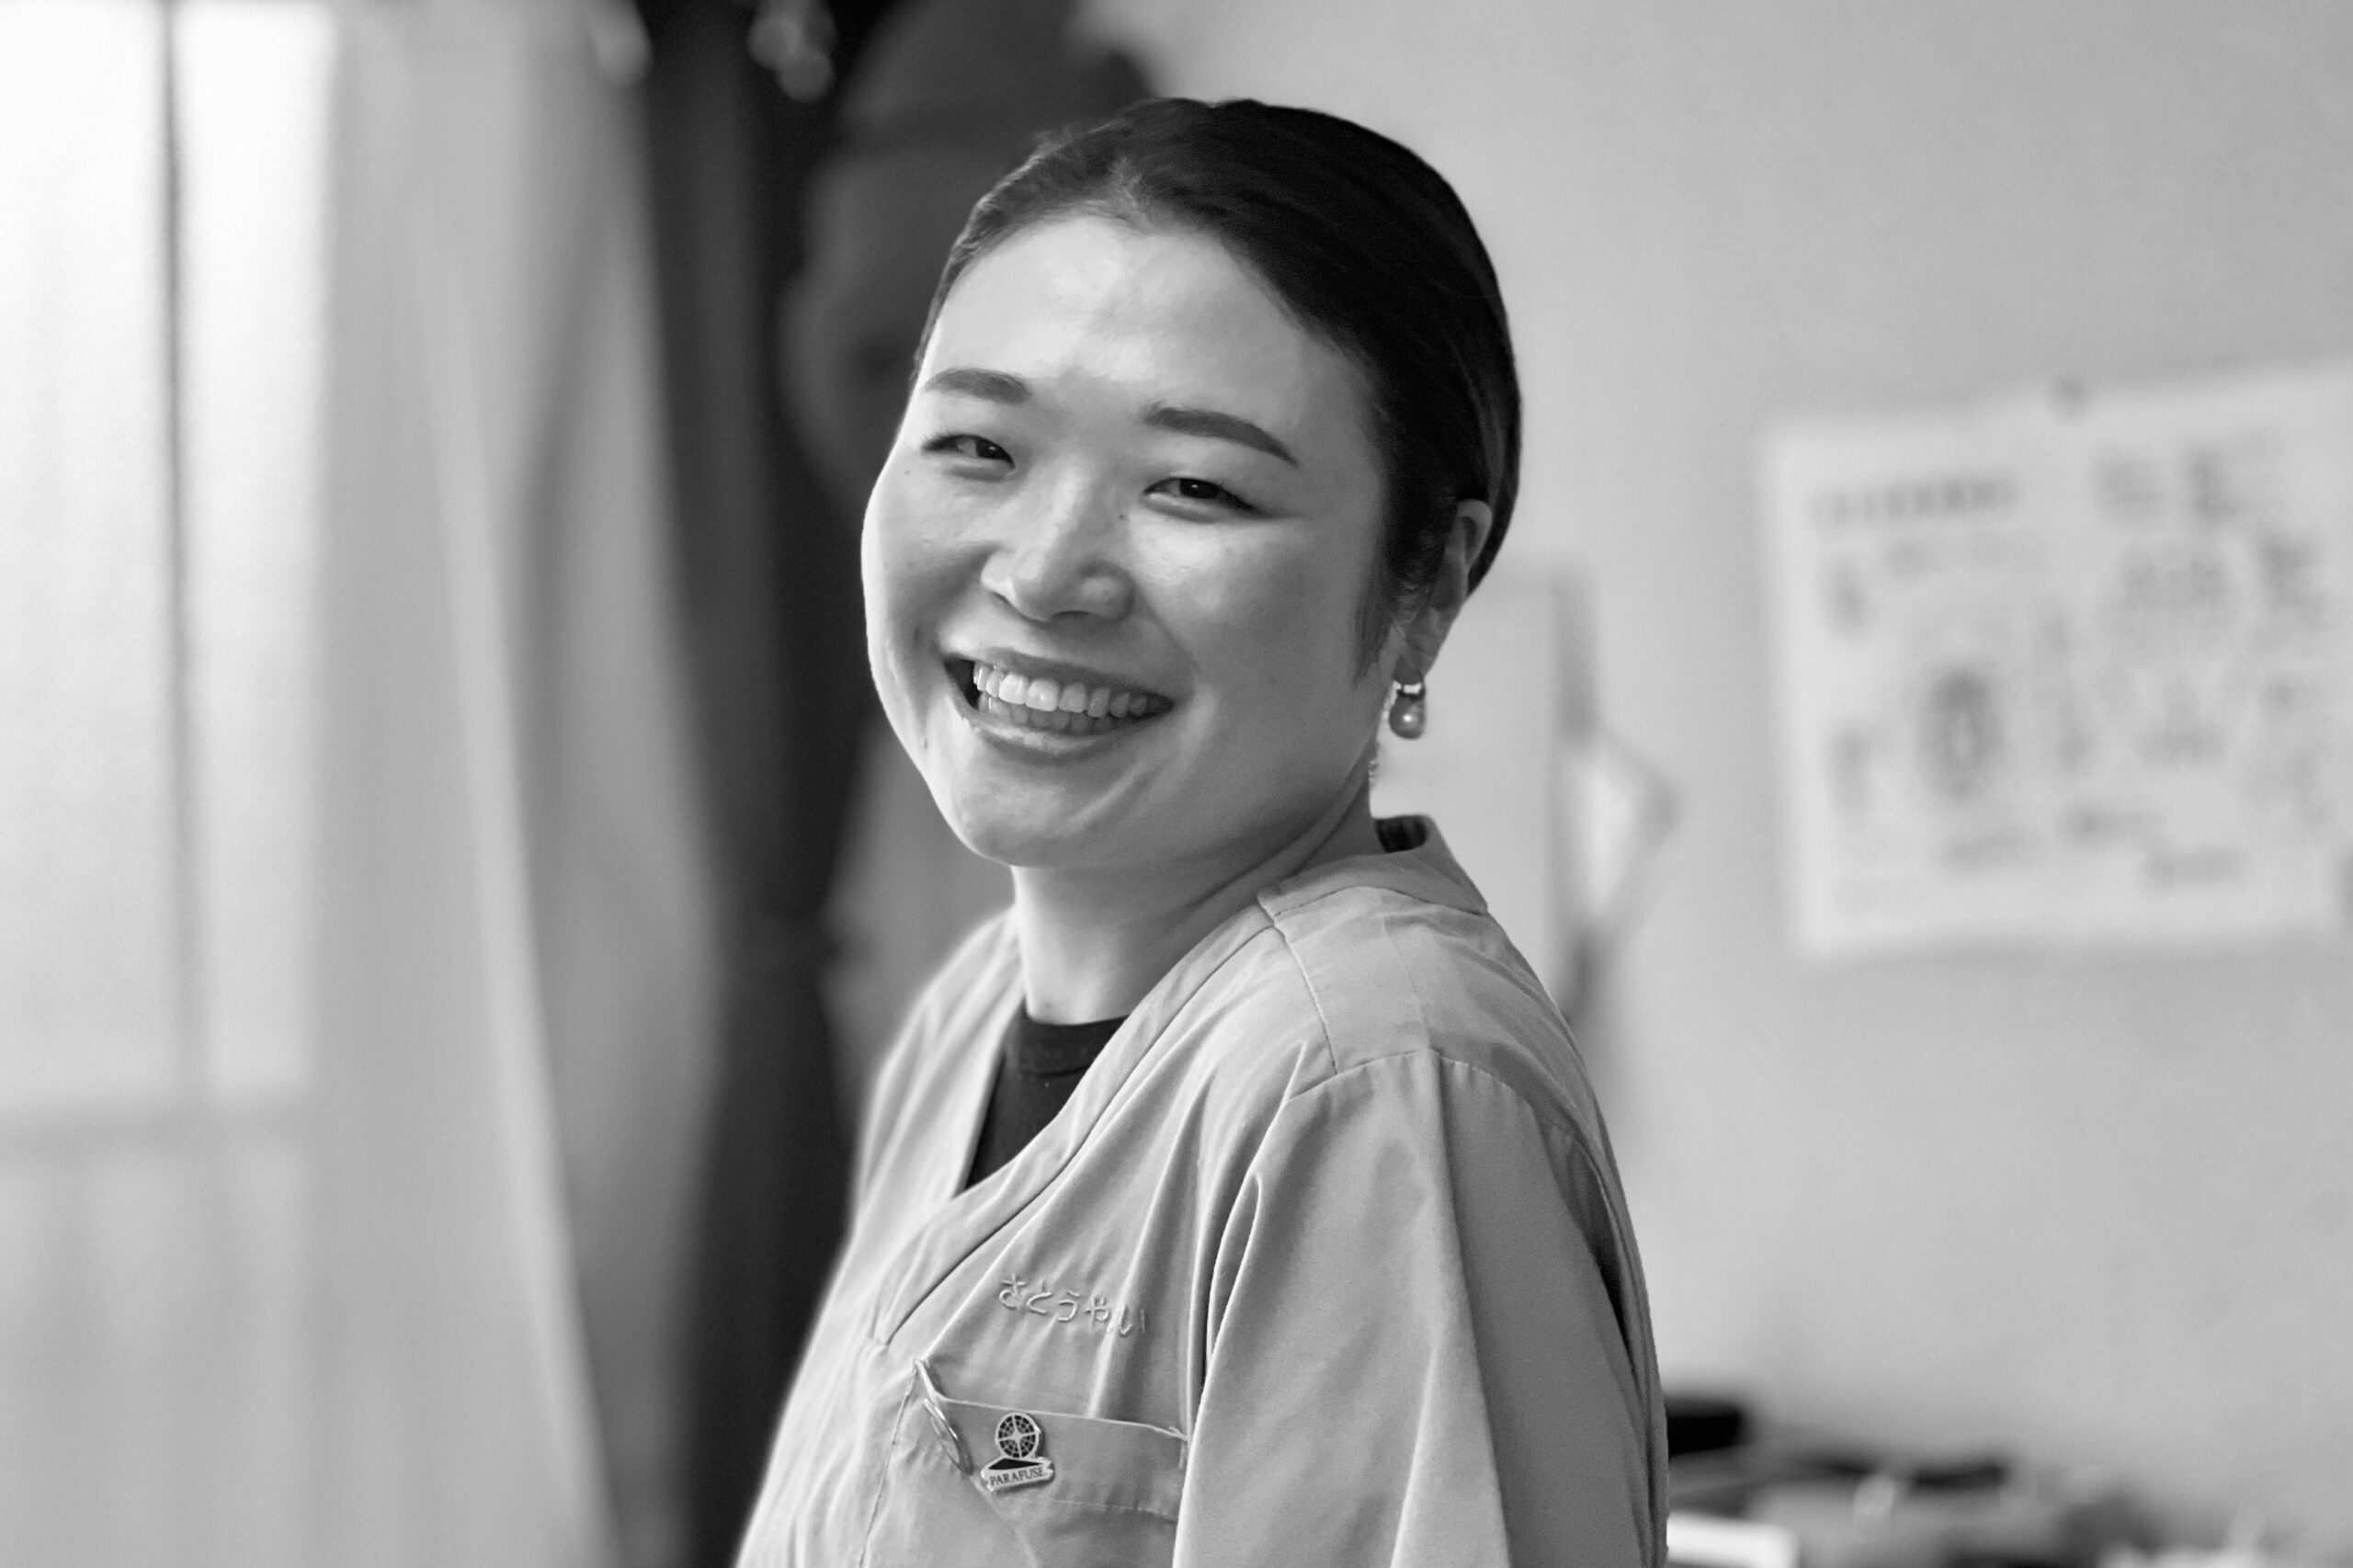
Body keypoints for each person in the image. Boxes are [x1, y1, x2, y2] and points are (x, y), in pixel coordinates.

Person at [735, 97, 1665, 1566]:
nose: (1044, 573)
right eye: (978, 445)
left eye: (1195, 486)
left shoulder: (1373, 1081)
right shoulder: (968, 1022)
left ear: (1428, 579)